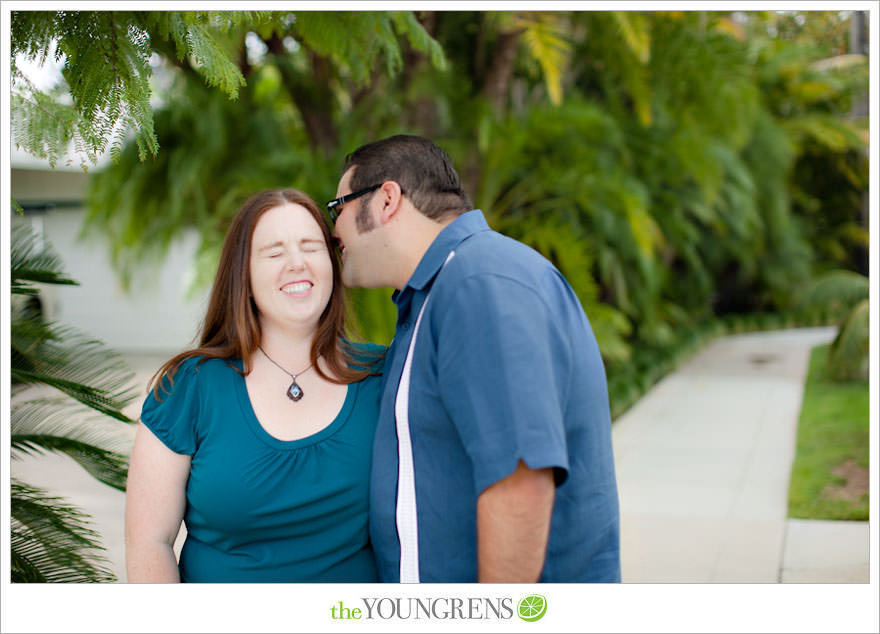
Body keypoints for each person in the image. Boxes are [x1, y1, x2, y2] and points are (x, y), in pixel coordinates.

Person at [328, 135, 620, 583]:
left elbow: (519, 481)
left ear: (386, 200)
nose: (335, 231)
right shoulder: (441, 290)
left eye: (339, 207)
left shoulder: (476, 282)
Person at [125, 188, 384, 582]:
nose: (297, 263)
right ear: (242, 276)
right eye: (275, 252)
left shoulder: (384, 374)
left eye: (311, 247)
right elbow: (149, 543)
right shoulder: (190, 388)